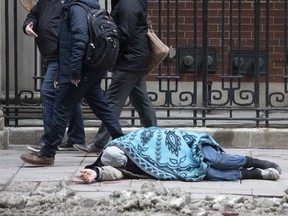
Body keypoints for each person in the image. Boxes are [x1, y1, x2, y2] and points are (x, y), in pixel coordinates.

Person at [20, 0, 124, 166]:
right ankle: (123, 142)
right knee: (101, 107)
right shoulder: (88, 5)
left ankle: (47, 153)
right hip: (90, 69)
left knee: (62, 108)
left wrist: (73, 72)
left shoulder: (76, 8)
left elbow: (80, 39)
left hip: (80, 70)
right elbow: (68, 42)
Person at [74, 0, 157, 154]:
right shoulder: (127, 3)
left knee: (112, 101)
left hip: (130, 60)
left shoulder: (128, 4)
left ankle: (99, 143)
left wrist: (105, 36)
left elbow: (124, 33)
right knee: (141, 101)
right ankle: (155, 137)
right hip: (134, 58)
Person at [77, 127, 282, 183]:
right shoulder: (125, 166)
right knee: (210, 174)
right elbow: (115, 172)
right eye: (127, 162)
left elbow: (161, 135)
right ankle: (255, 173)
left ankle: (257, 162)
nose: (131, 161)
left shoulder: (134, 140)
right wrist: (96, 174)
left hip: (188, 145)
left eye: (129, 157)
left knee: (217, 159)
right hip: (182, 165)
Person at [23, 0, 85, 151]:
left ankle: (49, 140)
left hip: (61, 55)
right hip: (50, 54)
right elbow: (34, 13)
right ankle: (76, 137)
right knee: (69, 95)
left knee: (48, 92)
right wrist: (28, 25)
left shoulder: (72, 3)